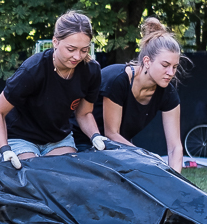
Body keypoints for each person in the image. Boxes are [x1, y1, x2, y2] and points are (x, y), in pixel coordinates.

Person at [0, 11, 108, 169]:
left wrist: (95, 136)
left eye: (84, 50)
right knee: (31, 174)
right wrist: (5, 150)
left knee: (65, 173)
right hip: (21, 137)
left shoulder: (91, 71)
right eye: (71, 49)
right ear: (55, 42)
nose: (77, 56)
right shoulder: (32, 69)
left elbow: (84, 113)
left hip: (59, 139)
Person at [76, 17, 184, 172]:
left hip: (121, 148)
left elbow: (175, 148)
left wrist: (175, 181)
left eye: (174, 67)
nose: (170, 73)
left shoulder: (168, 93)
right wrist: (146, 156)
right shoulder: (118, 80)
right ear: (147, 61)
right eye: (165, 65)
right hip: (84, 141)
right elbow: (112, 134)